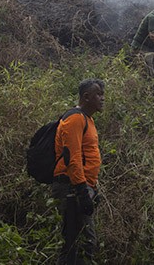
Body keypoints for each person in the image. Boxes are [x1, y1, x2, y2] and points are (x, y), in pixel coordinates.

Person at [52, 78, 105, 264]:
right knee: (83, 243)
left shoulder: (88, 120)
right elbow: (72, 158)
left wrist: (92, 188)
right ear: (86, 97)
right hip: (71, 187)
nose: (102, 98)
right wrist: (82, 191)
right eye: (98, 94)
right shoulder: (75, 119)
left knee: (75, 243)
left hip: (80, 186)